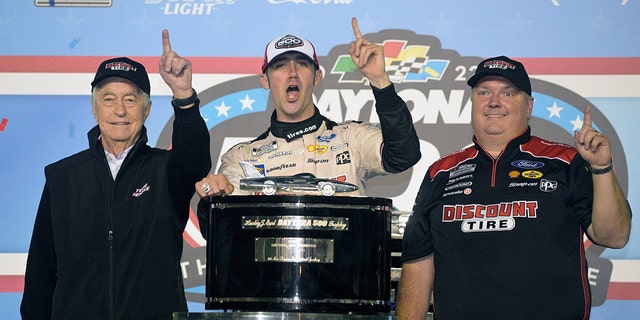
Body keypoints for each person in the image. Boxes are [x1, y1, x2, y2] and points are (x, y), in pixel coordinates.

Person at [395, 56, 632, 320]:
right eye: (484, 92)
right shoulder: (440, 172)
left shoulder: (566, 161)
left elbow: (614, 237)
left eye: (508, 92)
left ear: (529, 106)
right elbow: (417, 265)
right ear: (472, 103)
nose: (494, 101)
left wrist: (601, 168)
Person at [20, 30, 211, 320]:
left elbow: (196, 161)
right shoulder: (62, 177)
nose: (119, 110)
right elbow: (40, 272)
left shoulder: (167, 171)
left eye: (130, 100)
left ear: (146, 110)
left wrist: (183, 94)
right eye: (109, 99)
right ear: (95, 108)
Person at [194, 17, 420, 206]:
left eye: (301, 64)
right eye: (280, 65)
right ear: (265, 80)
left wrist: (379, 81)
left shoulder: (350, 138)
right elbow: (221, 225)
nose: (292, 72)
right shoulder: (242, 157)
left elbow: (404, 155)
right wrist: (213, 198)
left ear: (317, 76)